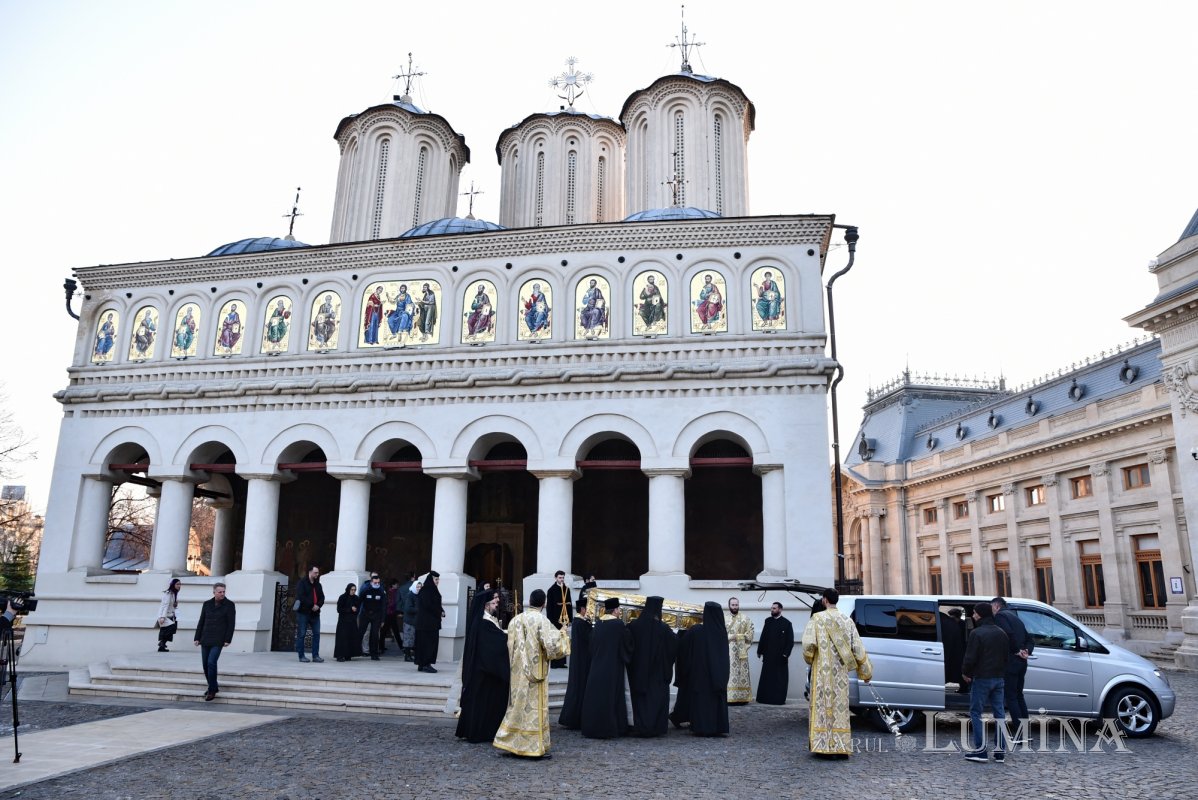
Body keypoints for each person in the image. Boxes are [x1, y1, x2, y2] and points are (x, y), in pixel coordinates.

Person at [493, 589, 571, 759]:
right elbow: (552, 647)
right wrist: (563, 635)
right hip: (535, 675)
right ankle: (532, 747)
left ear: (529, 601)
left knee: (517, 707)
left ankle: (511, 744)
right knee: (533, 710)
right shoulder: (542, 621)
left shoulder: (515, 620)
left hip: (517, 673)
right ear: (544, 604)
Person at [801, 587, 873, 757]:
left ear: (824, 600)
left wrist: (810, 658)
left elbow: (808, 645)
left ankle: (823, 747)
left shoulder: (817, 619)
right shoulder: (847, 621)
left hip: (821, 674)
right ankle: (840, 748)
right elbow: (858, 648)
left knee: (822, 708)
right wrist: (866, 673)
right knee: (840, 709)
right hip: (840, 674)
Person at [456, 589, 510, 743]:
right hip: (485, 673)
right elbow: (495, 644)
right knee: (483, 703)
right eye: (493, 603)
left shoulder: (484, 621)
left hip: (482, 671)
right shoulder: (484, 623)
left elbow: (497, 635)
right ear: (486, 605)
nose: (495, 605)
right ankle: (480, 732)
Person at [962, 602, 1010, 763]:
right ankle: (1000, 751)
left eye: (975, 613)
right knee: (1000, 714)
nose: (973, 616)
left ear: (980, 615)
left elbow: (970, 658)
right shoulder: (1001, 632)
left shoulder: (977, 633)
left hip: (982, 677)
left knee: (976, 712)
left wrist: (966, 673)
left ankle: (981, 751)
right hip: (999, 678)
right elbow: (1006, 657)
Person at [581, 597, 633, 739]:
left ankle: (592, 727)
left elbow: (591, 645)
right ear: (616, 610)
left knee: (596, 698)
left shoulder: (598, 624)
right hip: (612, 668)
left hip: (596, 666)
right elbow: (626, 645)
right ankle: (609, 729)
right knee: (611, 698)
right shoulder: (618, 625)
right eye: (619, 610)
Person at [627, 595, 678, 737]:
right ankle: (656, 727)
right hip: (657, 674)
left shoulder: (633, 626)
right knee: (655, 700)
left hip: (638, 672)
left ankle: (641, 726)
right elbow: (674, 645)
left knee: (640, 702)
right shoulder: (663, 629)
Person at [678, 601, 730, 736]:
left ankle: (702, 727)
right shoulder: (721, 632)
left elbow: (683, 647)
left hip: (700, 674)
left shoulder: (696, 631)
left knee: (702, 701)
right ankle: (717, 727)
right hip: (718, 675)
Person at [991, 596, 1034, 743]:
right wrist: (1026, 651)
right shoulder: (1015, 617)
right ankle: (1026, 732)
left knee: (1011, 697)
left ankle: (1020, 734)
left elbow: (1007, 634)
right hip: (1022, 662)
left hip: (1011, 662)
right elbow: (1030, 638)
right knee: (1018, 696)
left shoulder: (1001, 616)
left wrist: (1016, 650)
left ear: (996, 606)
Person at [193, 582, 235, 702]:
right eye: (220, 592)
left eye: (223, 592)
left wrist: (228, 639)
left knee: (211, 662)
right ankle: (213, 686)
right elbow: (201, 621)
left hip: (218, 639)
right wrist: (197, 637)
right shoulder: (207, 604)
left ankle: (211, 690)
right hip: (205, 638)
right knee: (205, 665)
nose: (222, 594)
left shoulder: (229, 605)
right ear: (214, 592)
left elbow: (231, 624)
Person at [558, 597, 593, 730]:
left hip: (579, 660)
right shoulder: (581, 623)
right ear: (583, 609)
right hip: (582, 661)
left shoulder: (579, 622)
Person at [756, 601, 794, 704]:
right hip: (768, 656)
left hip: (780, 658)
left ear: (780, 609)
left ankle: (778, 699)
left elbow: (790, 641)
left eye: (774, 608)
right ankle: (764, 699)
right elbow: (763, 636)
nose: (772, 610)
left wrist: (785, 654)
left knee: (779, 680)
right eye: (772, 608)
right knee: (767, 679)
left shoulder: (787, 623)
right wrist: (760, 650)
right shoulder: (768, 621)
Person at [725, 597, 755, 704]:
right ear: (729, 606)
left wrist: (739, 636)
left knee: (742, 673)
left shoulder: (745, 618)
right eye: (733, 605)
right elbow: (721, 634)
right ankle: (729, 697)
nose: (735, 607)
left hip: (741, 651)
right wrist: (731, 637)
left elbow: (750, 632)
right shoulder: (724, 619)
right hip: (728, 651)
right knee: (729, 673)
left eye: (736, 605)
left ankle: (742, 698)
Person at [295, 565, 325, 663]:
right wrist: (312, 605)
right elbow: (301, 597)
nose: (317, 574)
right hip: (304, 613)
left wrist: (318, 605)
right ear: (310, 572)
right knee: (302, 634)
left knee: (316, 634)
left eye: (318, 573)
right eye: (315, 572)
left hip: (315, 614)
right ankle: (301, 656)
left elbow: (322, 597)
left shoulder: (318, 585)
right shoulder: (302, 583)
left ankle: (315, 656)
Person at [414, 571, 443, 672]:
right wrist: (439, 611)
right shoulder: (427, 590)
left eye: (438, 579)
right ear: (431, 579)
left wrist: (441, 610)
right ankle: (426, 664)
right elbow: (429, 606)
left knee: (425, 643)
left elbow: (435, 604)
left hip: (428, 623)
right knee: (427, 644)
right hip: (427, 624)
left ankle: (422, 664)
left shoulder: (431, 590)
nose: (437, 581)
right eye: (436, 579)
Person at [545, 570, 573, 669]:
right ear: (556, 578)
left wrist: (570, 619)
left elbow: (569, 604)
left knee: (563, 639)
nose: (561, 579)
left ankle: (562, 662)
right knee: (555, 640)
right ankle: (555, 663)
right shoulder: (551, 590)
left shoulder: (566, 589)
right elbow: (549, 607)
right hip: (555, 619)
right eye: (560, 578)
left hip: (564, 618)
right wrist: (550, 620)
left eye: (563, 578)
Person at [359, 573, 387, 660]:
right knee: (361, 633)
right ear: (371, 582)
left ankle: (374, 654)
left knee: (375, 635)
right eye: (375, 583)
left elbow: (383, 606)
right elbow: (359, 601)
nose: (377, 584)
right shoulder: (365, 589)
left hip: (377, 615)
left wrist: (382, 620)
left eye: (378, 583)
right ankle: (355, 651)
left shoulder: (381, 591)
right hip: (365, 614)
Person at [334, 583, 361, 661]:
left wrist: (355, 610)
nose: (353, 591)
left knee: (351, 638)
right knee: (342, 639)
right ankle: (340, 656)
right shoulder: (342, 597)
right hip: (343, 621)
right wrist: (350, 609)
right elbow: (339, 609)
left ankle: (348, 655)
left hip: (352, 621)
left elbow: (358, 608)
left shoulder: (356, 598)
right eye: (352, 590)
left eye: (354, 590)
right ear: (348, 589)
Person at [156, 578, 181, 652]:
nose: (179, 586)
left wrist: (175, 605)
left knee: (170, 629)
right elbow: (165, 605)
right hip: (165, 615)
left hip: (171, 615)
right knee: (171, 628)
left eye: (180, 584)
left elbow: (171, 605)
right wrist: (162, 617)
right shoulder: (169, 593)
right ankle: (162, 643)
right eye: (177, 584)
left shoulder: (174, 593)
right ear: (173, 584)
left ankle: (162, 645)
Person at [401, 577, 420, 662]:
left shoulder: (418, 595)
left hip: (415, 621)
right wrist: (419, 610)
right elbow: (408, 609)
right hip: (409, 621)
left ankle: (412, 655)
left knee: (413, 639)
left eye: (420, 587)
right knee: (408, 639)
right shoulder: (410, 595)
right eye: (417, 587)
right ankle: (407, 656)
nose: (419, 588)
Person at [383, 577, 403, 653]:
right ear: (393, 585)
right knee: (395, 631)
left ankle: (381, 646)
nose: (398, 585)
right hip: (391, 614)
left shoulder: (389, 591)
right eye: (396, 584)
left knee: (384, 631)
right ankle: (401, 646)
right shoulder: (394, 592)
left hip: (389, 613)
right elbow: (393, 603)